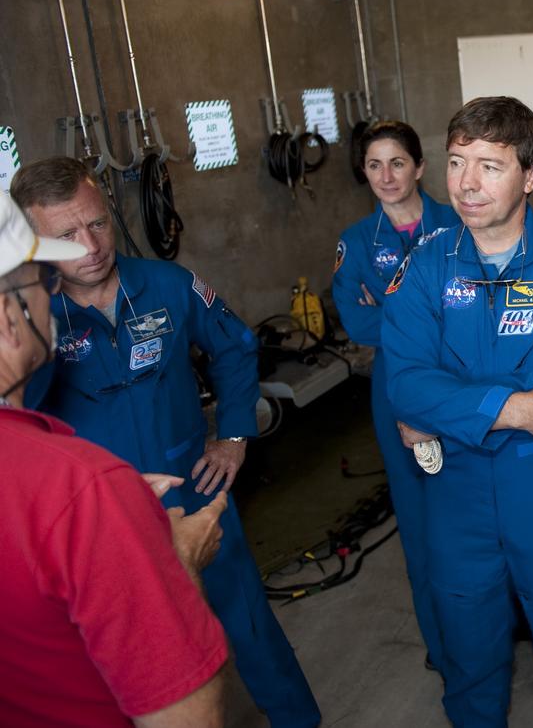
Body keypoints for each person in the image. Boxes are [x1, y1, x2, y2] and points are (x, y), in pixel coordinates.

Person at [11, 157, 321, 728]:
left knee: (251, 629)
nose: (92, 245)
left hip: (194, 492)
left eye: (98, 223)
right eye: (65, 236)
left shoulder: (167, 285)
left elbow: (233, 346)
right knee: (121, 660)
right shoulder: (28, 321)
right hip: (98, 520)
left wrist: (232, 435)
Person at [381, 96, 533, 727]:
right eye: (457, 162)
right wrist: (516, 407)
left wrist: (449, 404)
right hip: (456, 502)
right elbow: (405, 385)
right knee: (469, 669)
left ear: (532, 173)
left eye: (490, 165)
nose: (466, 183)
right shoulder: (426, 267)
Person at [0, 191, 228, 727]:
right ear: (8, 316)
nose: (52, 291)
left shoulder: (167, 284)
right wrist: (178, 567)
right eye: (43, 281)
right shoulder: (78, 487)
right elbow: (187, 715)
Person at [332, 119, 457, 666]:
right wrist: (436, 317)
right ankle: (442, 641)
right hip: (399, 389)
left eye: (397, 162)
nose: (386, 175)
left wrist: (389, 309)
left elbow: (487, 309)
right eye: (374, 165)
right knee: (420, 520)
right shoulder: (357, 243)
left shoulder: (460, 226)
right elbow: (356, 326)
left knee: (476, 511)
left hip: (462, 380)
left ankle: (490, 627)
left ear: (420, 167)